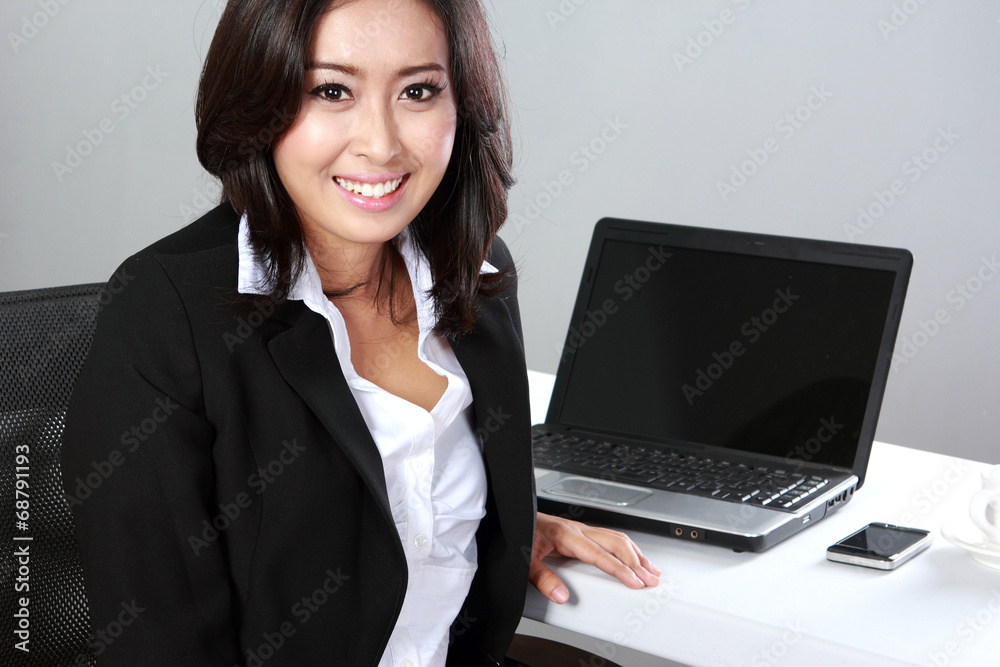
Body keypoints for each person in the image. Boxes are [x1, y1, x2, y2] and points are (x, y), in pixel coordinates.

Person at [61, 0, 660, 664]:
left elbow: (364, 493)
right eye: (331, 90)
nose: (380, 143)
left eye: (418, 90)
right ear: (259, 100)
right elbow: (161, 644)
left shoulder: (478, 277)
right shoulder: (165, 314)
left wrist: (506, 519)